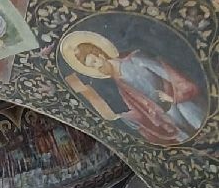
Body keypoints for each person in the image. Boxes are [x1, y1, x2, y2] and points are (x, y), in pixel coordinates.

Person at [61, 30, 206, 146]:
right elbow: (141, 108)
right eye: (91, 66)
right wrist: (126, 118)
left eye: (94, 62)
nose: (96, 67)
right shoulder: (119, 83)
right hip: (167, 118)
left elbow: (169, 74)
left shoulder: (135, 59)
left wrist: (173, 97)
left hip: (183, 105)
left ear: (100, 54)